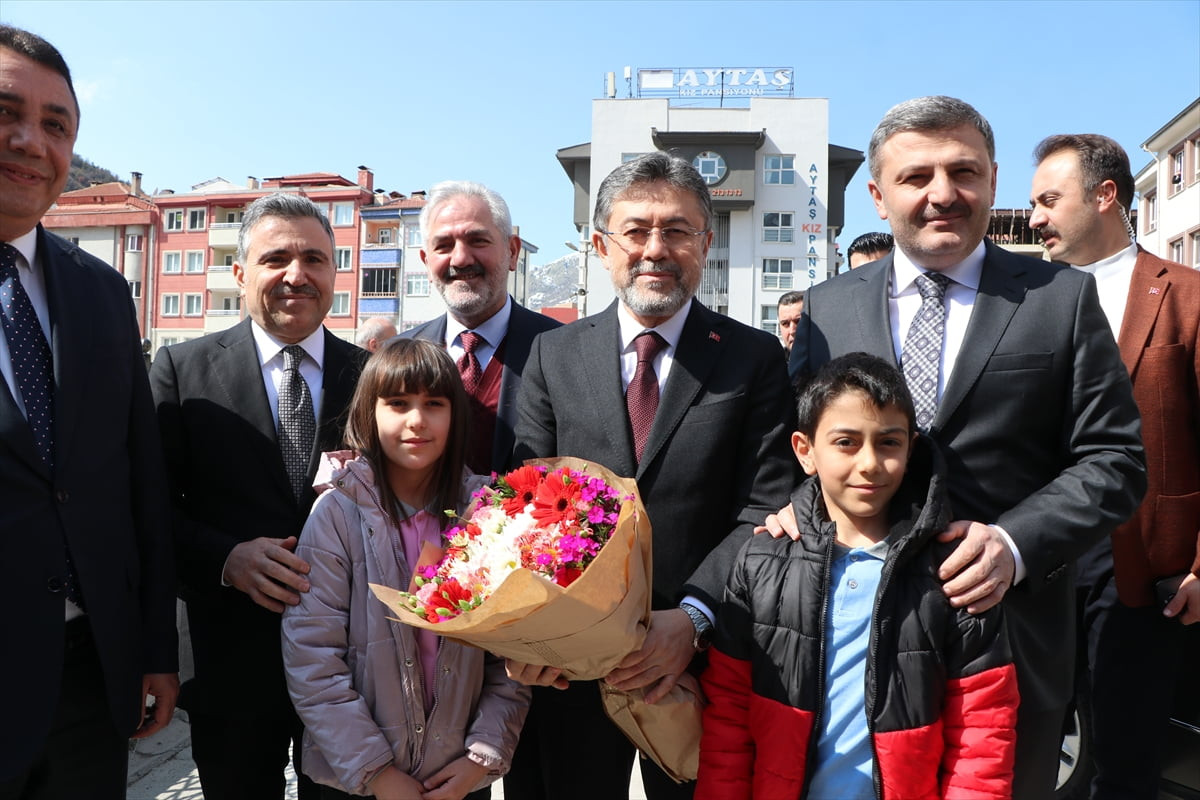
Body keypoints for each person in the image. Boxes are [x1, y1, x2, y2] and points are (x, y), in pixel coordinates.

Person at [782, 96, 1145, 800]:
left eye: (964, 172)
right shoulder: (828, 309)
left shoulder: (1059, 298)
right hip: (851, 642)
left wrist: (1014, 545)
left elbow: (1115, 460)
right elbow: (795, 450)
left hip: (1010, 641)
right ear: (879, 196)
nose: (943, 194)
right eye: (917, 177)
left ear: (994, 180)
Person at [505, 152, 795, 800]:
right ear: (602, 244)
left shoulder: (753, 359)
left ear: (706, 243)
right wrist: (540, 625)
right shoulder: (552, 354)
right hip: (572, 672)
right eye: (636, 231)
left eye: (678, 231)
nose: (656, 249)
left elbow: (763, 508)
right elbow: (530, 498)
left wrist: (692, 616)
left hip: (701, 669)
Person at [699, 353, 1018, 800]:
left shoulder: (953, 572)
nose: (869, 463)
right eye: (846, 442)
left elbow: (982, 729)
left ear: (911, 447)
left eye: (889, 442)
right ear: (804, 451)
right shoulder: (760, 562)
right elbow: (728, 719)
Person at [0, 25, 178, 797]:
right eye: (6, 111)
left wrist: (156, 649)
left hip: (89, 685)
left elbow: (137, 481)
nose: (29, 140)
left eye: (56, 124)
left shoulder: (103, 293)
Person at [150, 192, 369, 799]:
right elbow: (149, 508)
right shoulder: (180, 371)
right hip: (231, 664)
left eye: (314, 259)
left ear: (333, 272)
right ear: (241, 272)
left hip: (350, 666)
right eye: (276, 258)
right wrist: (226, 558)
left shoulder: (373, 378)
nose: (296, 275)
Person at [282, 338, 529, 800]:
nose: (416, 420)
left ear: (456, 415)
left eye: (433, 404)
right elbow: (313, 658)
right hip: (355, 781)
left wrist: (480, 758)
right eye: (398, 403)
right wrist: (376, 773)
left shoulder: (486, 515)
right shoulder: (337, 513)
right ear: (368, 412)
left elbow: (511, 660)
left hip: (456, 778)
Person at [1029, 133, 1199, 799]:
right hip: (1032, 557)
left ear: (1105, 196)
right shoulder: (1022, 303)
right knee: (1028, 752)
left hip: (1138, 568)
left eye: (1048, 199)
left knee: (1125, 763)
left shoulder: (1184, 296)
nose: (1035, 217)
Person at [403, 181, 559, 475]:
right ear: (426, 262)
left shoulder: (562, 352)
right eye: (444, 245)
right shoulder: (395, 355)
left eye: (477, 241)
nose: (460, 259)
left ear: (513, 252)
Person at [776, 290, 804, 354]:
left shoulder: (830, 361)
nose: (792, 331)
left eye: (799, 321)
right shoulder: (772, 362)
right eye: (785, 323)